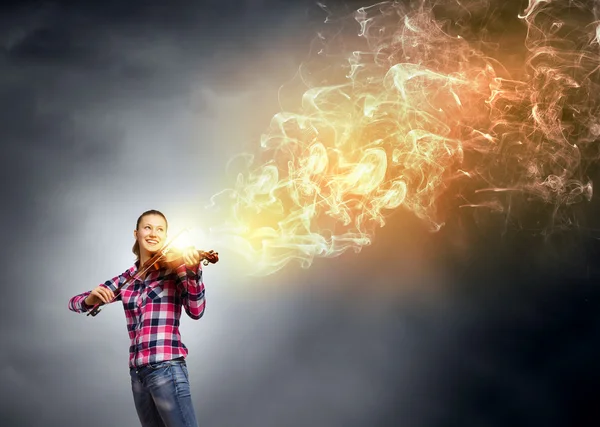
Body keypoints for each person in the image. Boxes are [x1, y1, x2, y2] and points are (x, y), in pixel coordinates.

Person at [68, 209, 206, 427]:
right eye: (147, 227)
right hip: (138, 376)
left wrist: (193, 272)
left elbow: (196, 311)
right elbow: (74, 303)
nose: (153, 233)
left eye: (160, 229)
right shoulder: (127, 278)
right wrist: (91, 299)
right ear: (136, 233)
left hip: (167, 367)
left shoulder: (176, 269)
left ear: (166, 236)